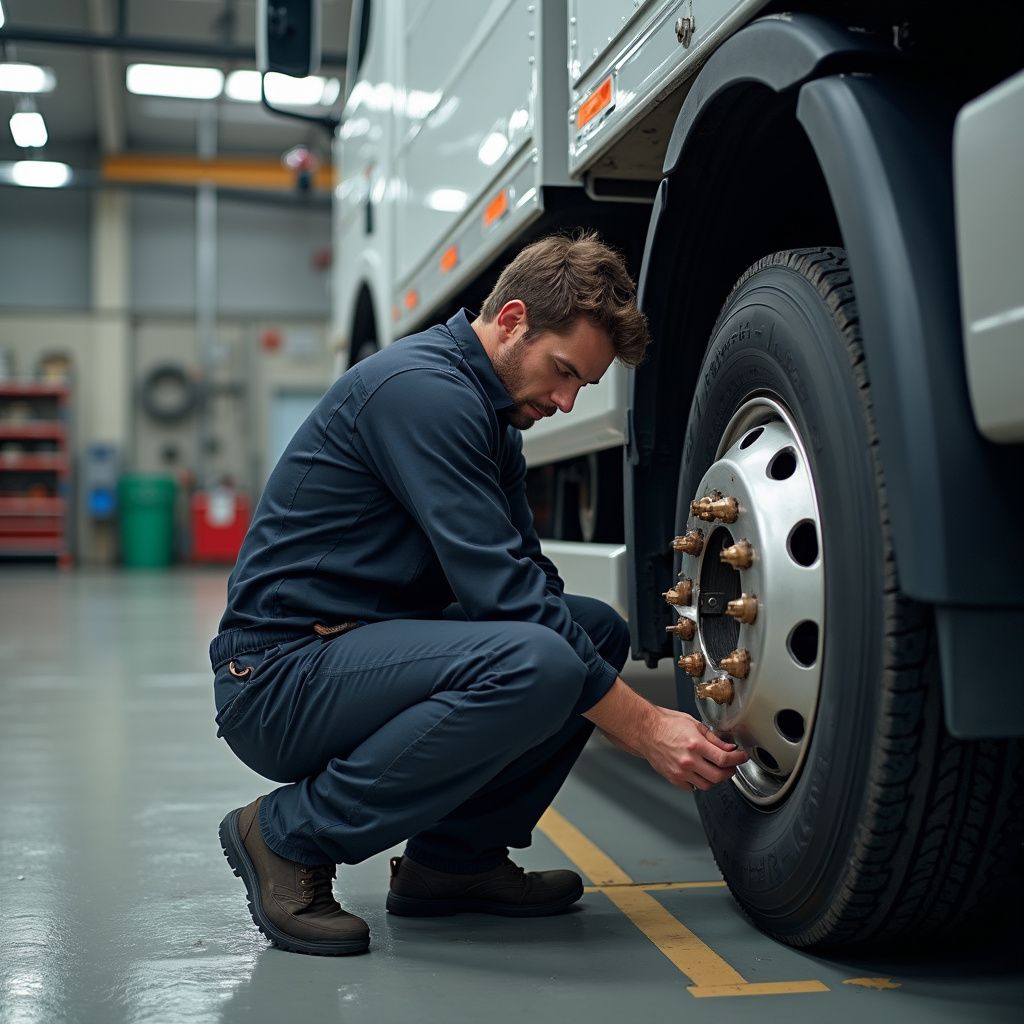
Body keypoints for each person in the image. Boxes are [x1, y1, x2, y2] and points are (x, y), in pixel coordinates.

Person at [210, 232, 748, 957]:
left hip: (349, 650)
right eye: (562, 373)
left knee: (590, 634)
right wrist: (646, 727)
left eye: (582, 388)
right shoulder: (422, 393)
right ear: (513, 318)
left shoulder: (489, 421)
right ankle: (284, 835)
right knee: (540, 661)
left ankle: (453, 865)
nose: (564, 401)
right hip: (277, 676)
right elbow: (508, 604)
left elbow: (531, 583)